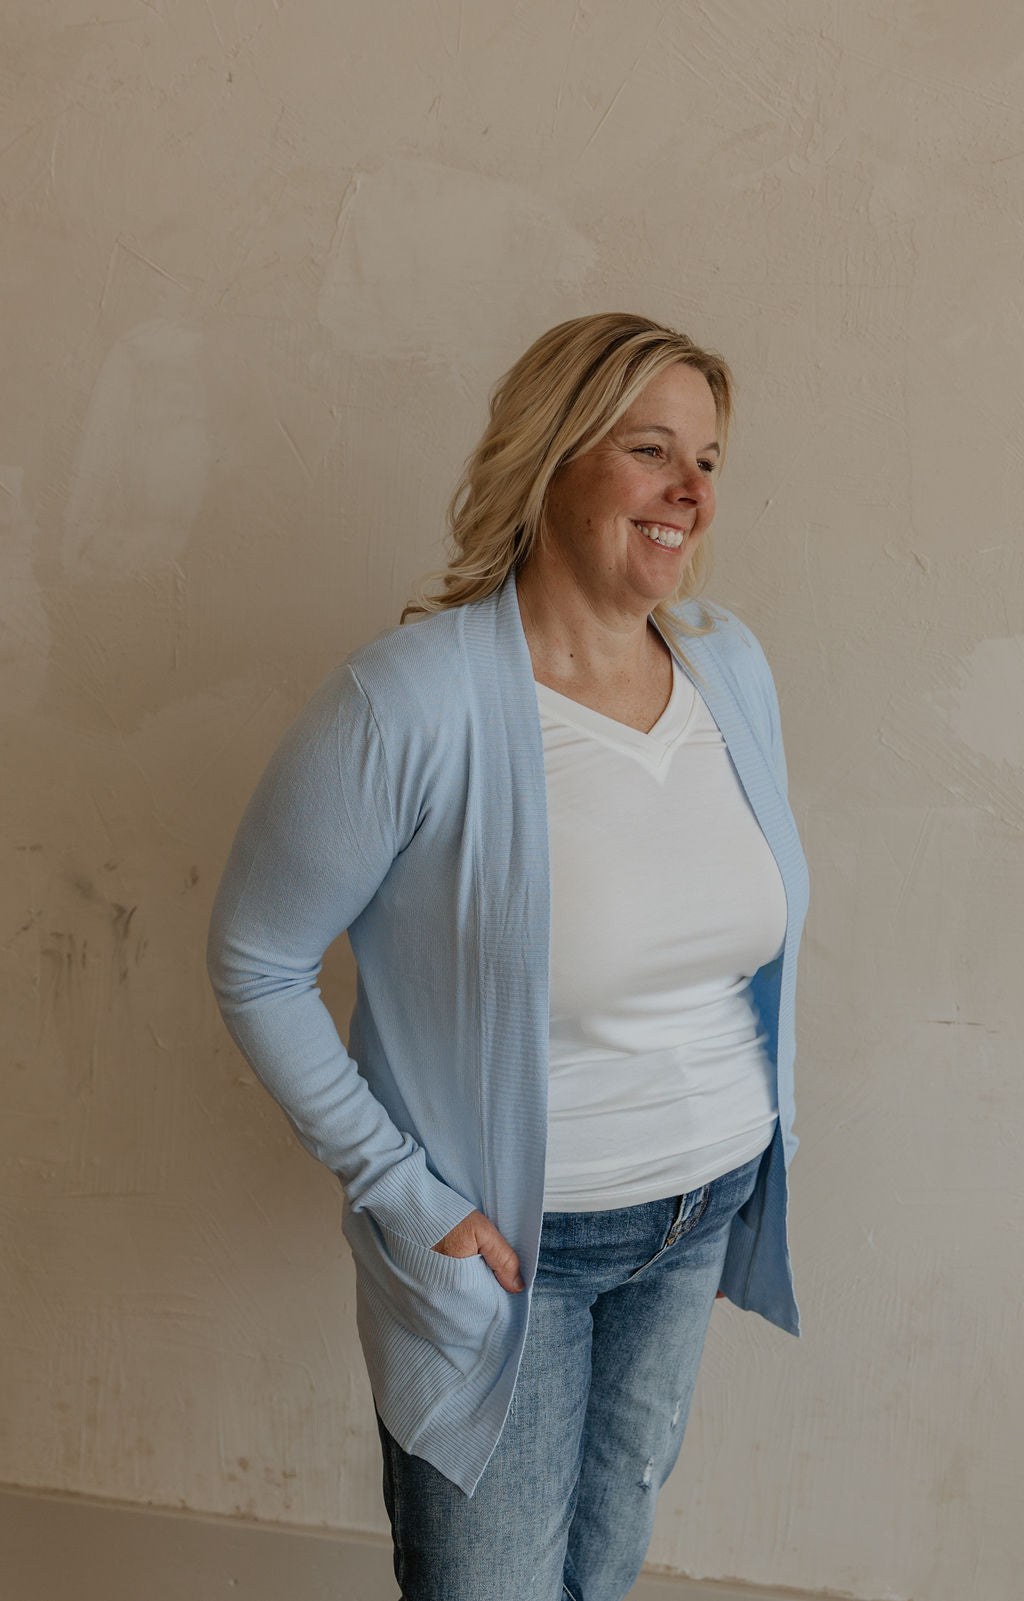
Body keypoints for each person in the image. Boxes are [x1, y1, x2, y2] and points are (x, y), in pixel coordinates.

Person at [207, 312, 809, 1601]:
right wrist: (403, 1195)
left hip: (700, 1214)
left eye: (708, 460)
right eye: (651, 450)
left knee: (602, 1573)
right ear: (551, 456)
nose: (691, 491)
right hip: (515, 1260)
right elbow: (257, 960)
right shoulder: (408, 702)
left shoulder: (728, 666)